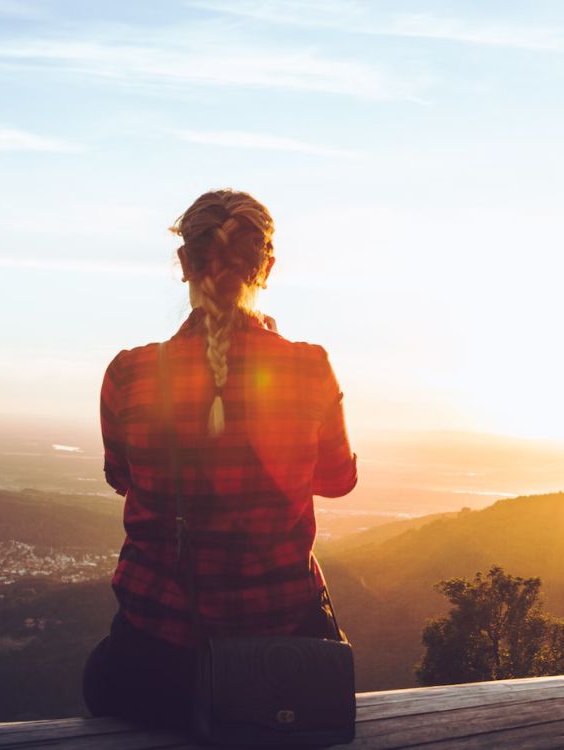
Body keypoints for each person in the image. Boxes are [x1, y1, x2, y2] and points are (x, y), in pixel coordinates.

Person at [82, 188, 358, 730]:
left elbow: (123, 478)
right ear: (267, 268)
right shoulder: (308, 369)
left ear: (185, 263)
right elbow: (337, 480)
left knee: (99, 680)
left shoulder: (130, 374)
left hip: (155, 660)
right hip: (279, 658)